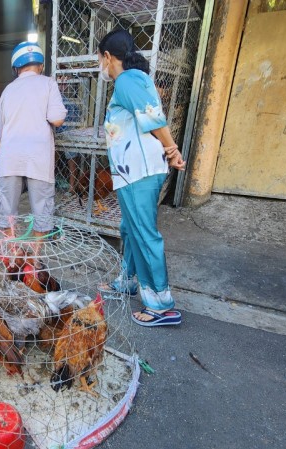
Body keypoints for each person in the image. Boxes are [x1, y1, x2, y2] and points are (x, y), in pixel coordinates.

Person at [97, 30, 186, 327]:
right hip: (133, 171)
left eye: (101, 59)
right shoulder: (134, 79)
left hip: (139, 170)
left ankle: (161, 304)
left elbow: (152, 117)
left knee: (145, 233)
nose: (102, 66)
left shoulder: (126, 79)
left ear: (109, 57)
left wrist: (172, 149)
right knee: (131, 228)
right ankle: (128, 280)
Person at [0, 42, 67, 236]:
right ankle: (34, 261)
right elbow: (57, 119)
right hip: (39, 158)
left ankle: (11, 258)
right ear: (41, 66)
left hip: (10, 158)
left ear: (15, 68)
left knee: (6, 214)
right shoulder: (48, 83)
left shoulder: (7, 90)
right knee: (42, 213)